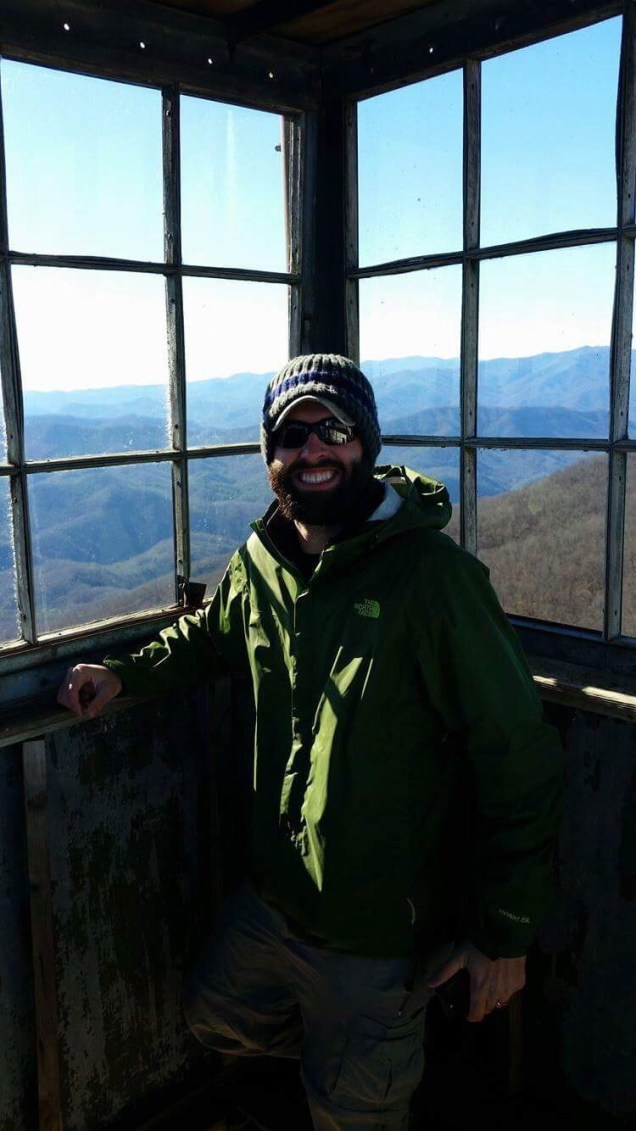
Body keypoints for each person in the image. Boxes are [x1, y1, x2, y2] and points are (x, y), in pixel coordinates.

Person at [58, 354, 563, 1131]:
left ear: (367, 441)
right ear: (270, 456)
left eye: (334, 428)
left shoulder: (432, 578)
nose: (313, 449)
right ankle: (355, 1057)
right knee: (213, 1014)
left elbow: (517, 753)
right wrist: (124, 673)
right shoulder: (265, 561)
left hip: (379, 930)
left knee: (354, 1114)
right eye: (292, 436)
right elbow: (211, 634)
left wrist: (505, 932)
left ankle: (372, 1064)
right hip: (277, 898)